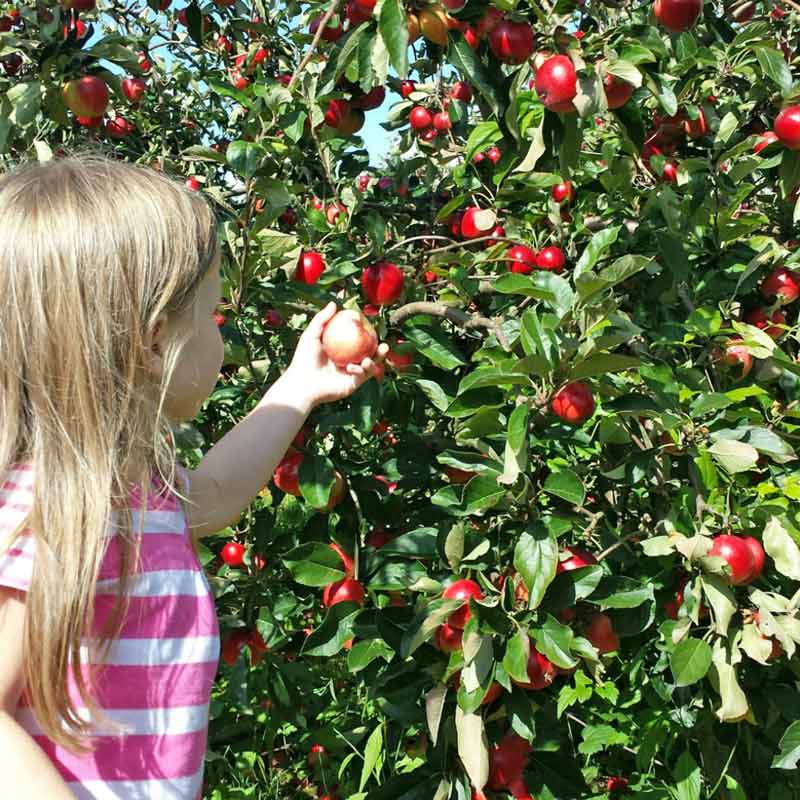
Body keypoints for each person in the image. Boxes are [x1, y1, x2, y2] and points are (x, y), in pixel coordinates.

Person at [0, 151, 387, 799]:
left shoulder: (133, 487)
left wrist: (299, 388)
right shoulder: (52, 506)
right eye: (209, 314)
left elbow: (211, 497)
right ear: (154, 343)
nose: (221, 330)